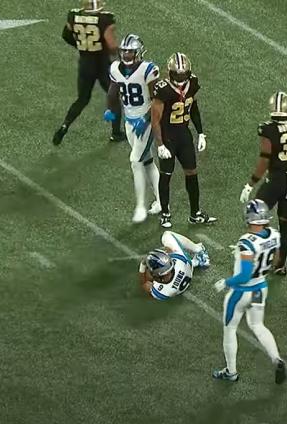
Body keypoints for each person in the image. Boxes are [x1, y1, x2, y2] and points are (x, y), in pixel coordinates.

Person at [212, 199, 286, 384]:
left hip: (241, 292)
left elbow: (244, 275)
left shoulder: (246, 242)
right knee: (258, 326)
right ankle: (277, 359)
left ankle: (231, 372)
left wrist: (226, 282)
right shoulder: (274, 235)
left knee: (230, 329)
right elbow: (277, 260)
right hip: (260, 288)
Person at [239, 92, 287, 276]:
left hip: (276, 179)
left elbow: (265, 159)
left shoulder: (268, 129)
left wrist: (251, 183)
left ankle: (256, 260)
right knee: (285, 223)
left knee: (255, 217)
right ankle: (280, 265)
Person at [151, 53, 215, 228]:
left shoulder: (192, 82)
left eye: (184, 74)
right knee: (166, 175)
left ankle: (195, 214)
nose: (181, 78)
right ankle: (165, 214)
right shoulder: (163, 89)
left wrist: (201, 133)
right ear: (170, 72)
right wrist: (160, 144)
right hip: (168, 136)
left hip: (184, 135)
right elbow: (155, 120)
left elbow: (193, 107)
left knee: (192, 173)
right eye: (177, 75)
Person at [104, 34, 161, 222]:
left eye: (130, 52)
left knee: (135, 161)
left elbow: (156, 101)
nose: (126, 55)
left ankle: (140, 207)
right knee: (147, 161)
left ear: (138, 52)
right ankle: (162, 201)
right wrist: (110, 110)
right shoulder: (115, 68)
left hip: (146, 120)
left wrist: (145, 119)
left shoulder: (148, 70)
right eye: (124, 51)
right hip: (129, 121)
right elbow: (113, 92)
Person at [53, 0, 124, 145]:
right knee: (113, 97)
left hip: (85, 64)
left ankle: (64, 126)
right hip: (102, 65)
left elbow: (66, 35)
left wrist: (82, 46)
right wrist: (118, 55)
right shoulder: (105, 19)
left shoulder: (74, 16)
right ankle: (116, 133)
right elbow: (111, 45)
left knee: (82, 99)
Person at [138, 231, 209, 300]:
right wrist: (161, 254)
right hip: (186, 266)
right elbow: (169, 250)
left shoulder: (160, 293)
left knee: (148, 275)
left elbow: (144, 284)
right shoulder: (179, 261)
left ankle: (196, 259)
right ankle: (199, 251)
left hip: (176, 287)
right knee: (167, 235)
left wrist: (142, 264)